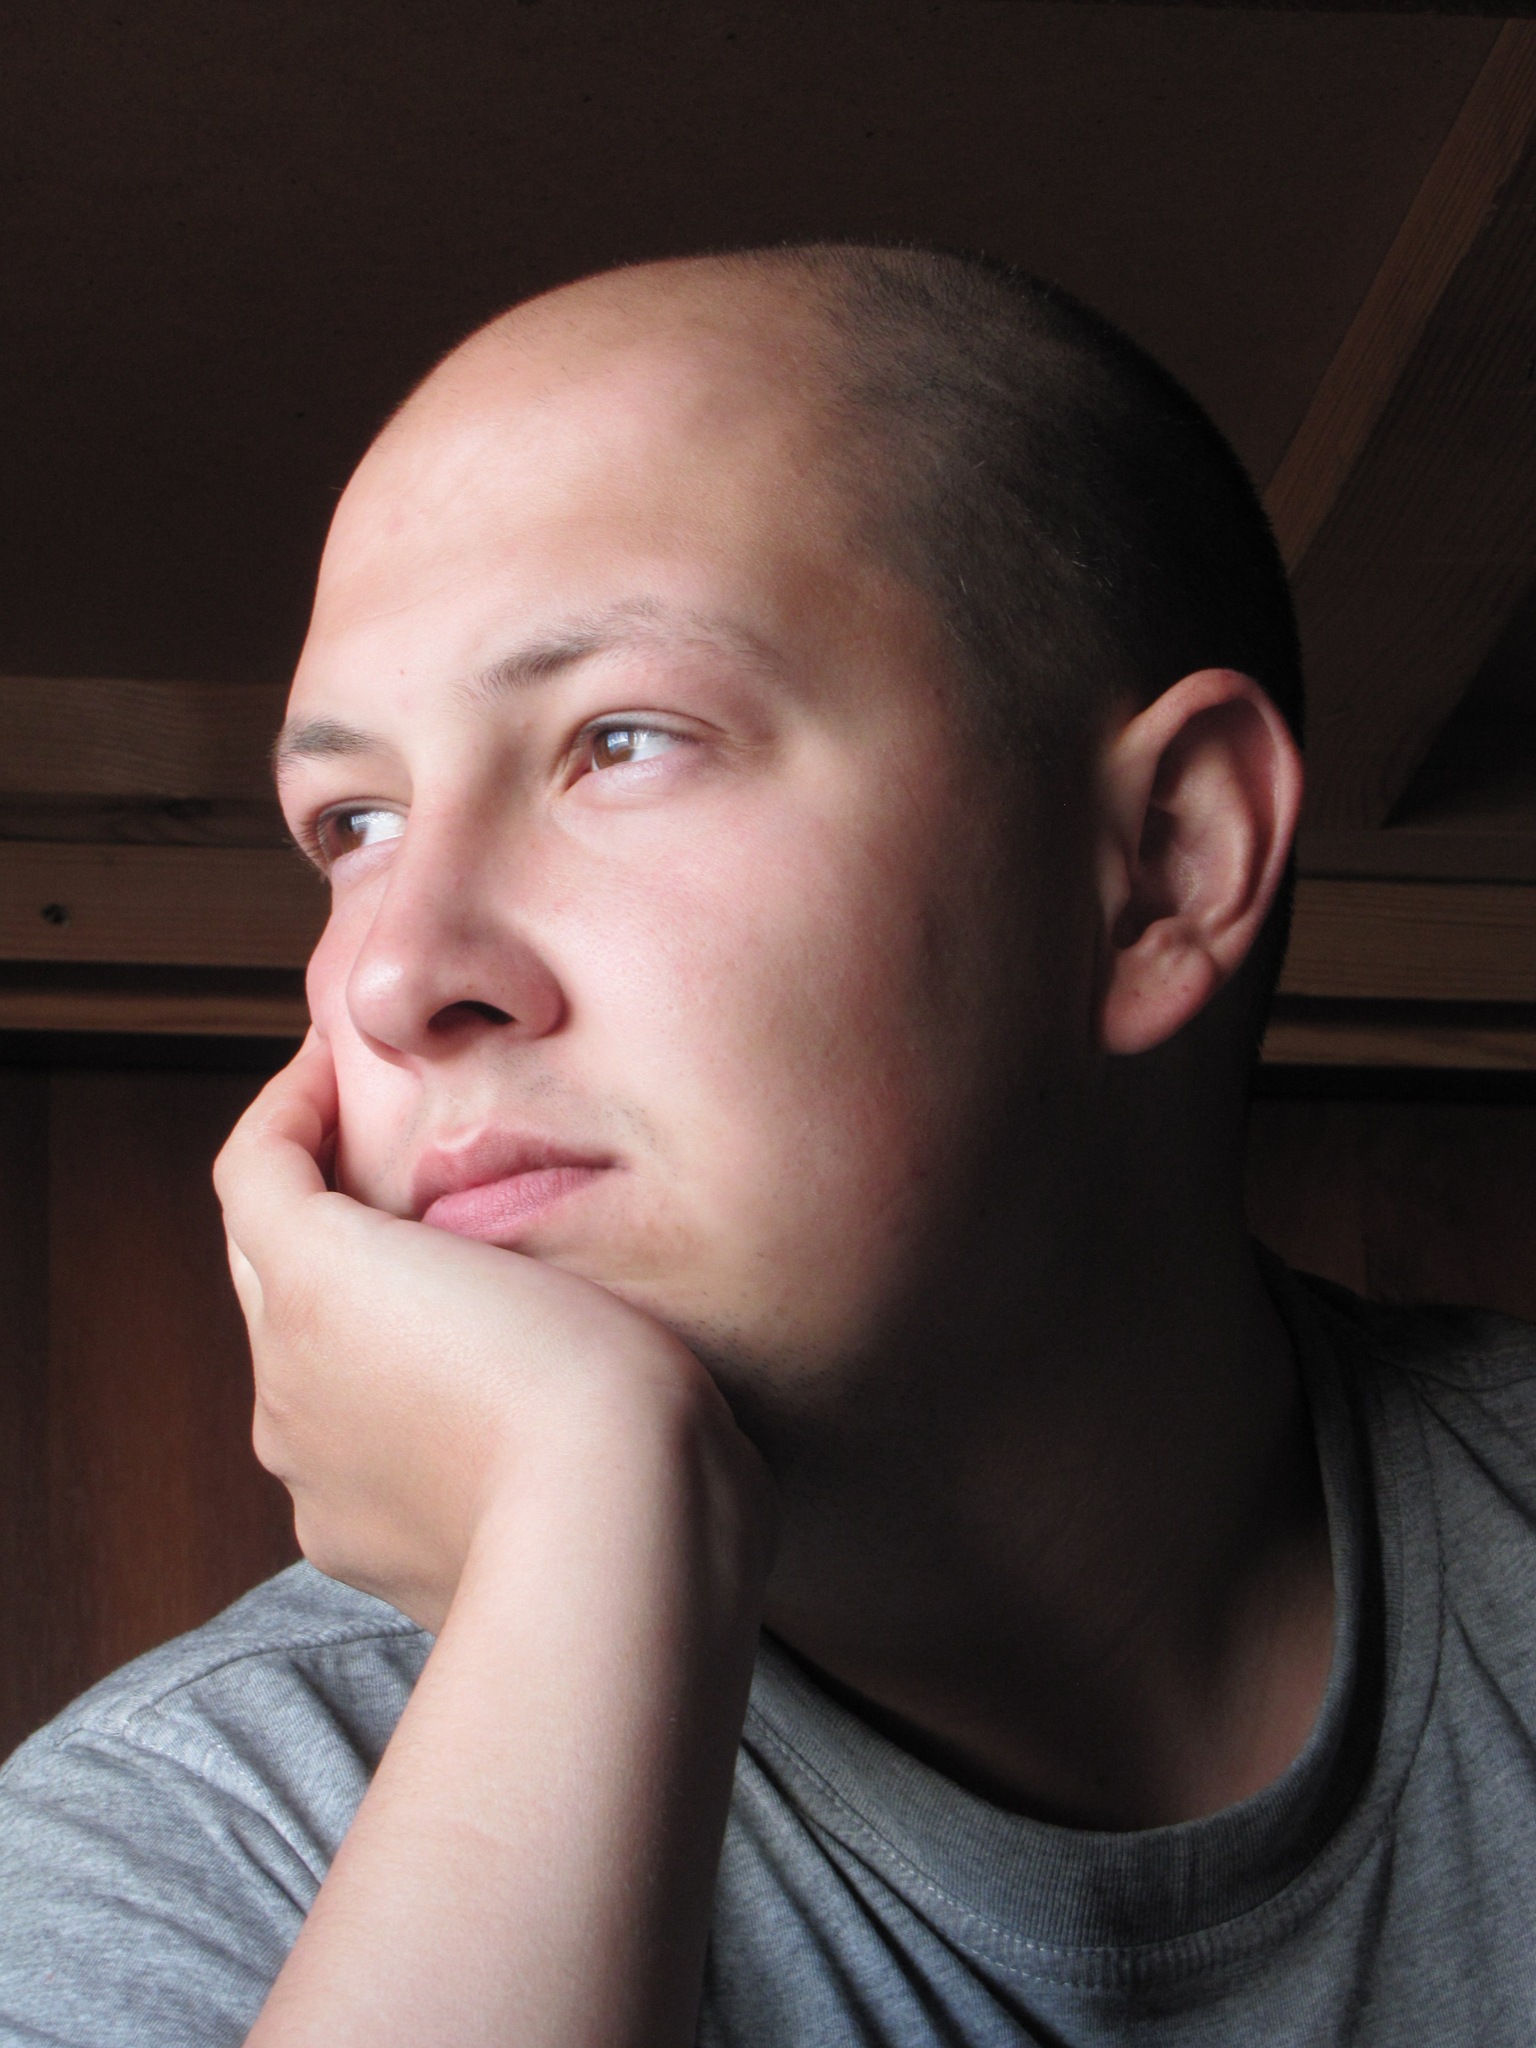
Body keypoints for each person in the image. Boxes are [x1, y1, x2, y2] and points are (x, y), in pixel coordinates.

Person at [2, 242, 1533, 2048]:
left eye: (620, 740)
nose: (399, 975)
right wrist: (588, 1509)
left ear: (1163, 865)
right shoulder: (186, 1858)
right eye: (354, 823)